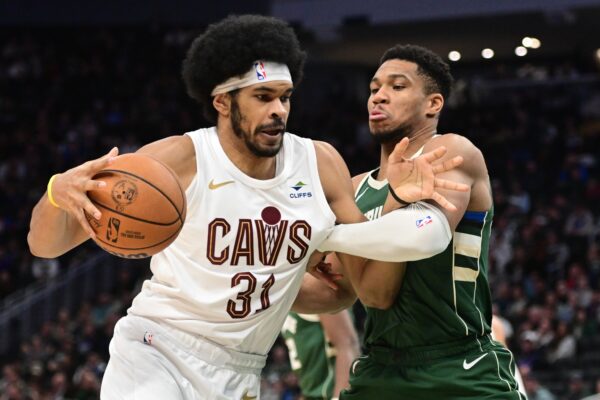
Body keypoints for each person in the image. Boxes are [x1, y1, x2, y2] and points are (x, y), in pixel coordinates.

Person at [27, 16, 467, 399]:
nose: (278, 110)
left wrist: (285, 278)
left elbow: (352, 290)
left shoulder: (320, 163)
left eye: (285, 97)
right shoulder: (179, 159)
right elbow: (44, 245)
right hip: (156, 349)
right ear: (223, 102)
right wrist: (56, 192)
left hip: (242, 369)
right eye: (263, 97)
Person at [323, 44, 525, 399]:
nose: (379, 97)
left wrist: (324, 237)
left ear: (433, 104)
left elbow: (403, 258)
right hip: (379, 368)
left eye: (397, 87)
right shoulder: (352, 188)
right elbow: (354, 293)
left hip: (459, 367)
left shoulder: (451, 151)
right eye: (373, 88)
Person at [281, 309, 359, 399]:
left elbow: (348, 345)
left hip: (331, 393)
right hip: (310, 394)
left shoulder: (312, 295)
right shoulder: (283, 301)